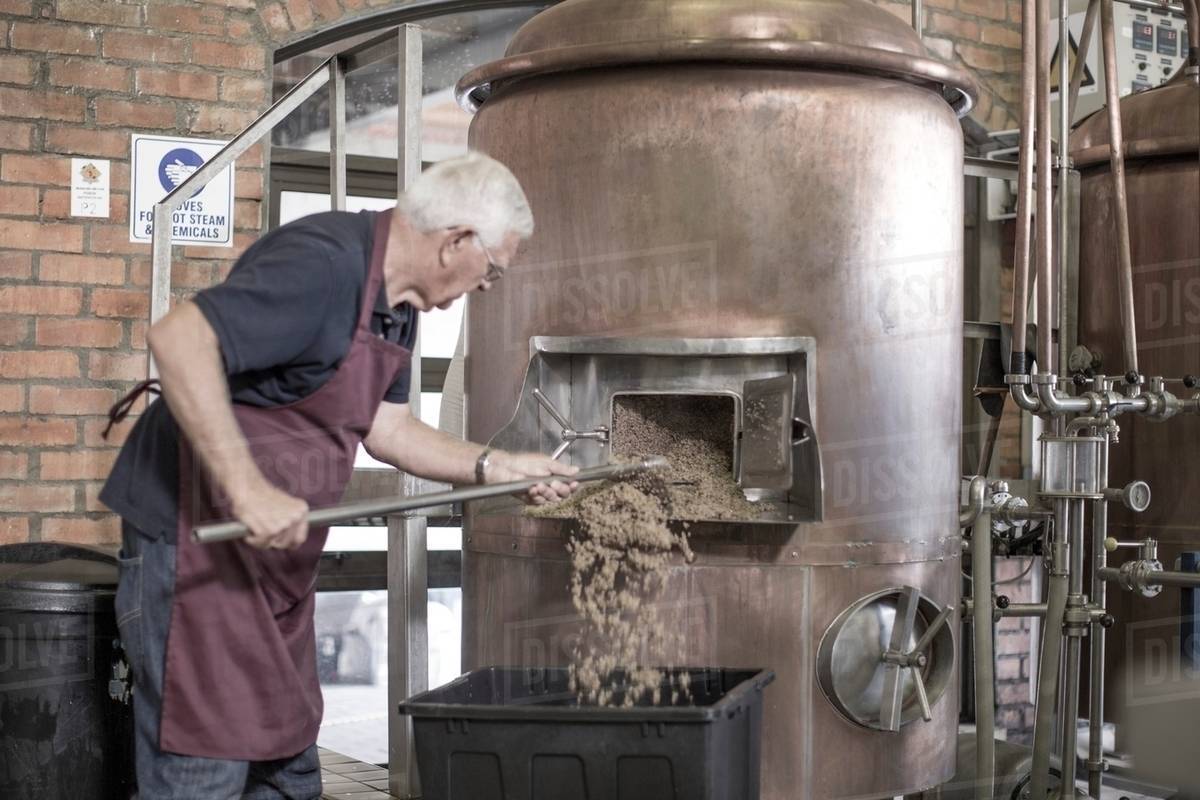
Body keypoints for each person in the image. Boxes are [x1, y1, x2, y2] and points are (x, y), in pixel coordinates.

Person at [99, 152, 578, 799]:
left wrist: (498, 466)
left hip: (272, 567)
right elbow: (180, 339)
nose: (487, 286)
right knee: (202, 767)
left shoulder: (397, 305)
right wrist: (247, 488)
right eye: (492, 271)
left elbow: (389, 430)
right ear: (455, 242)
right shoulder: (323, 264)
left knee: (287, 766)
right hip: (196, 552)